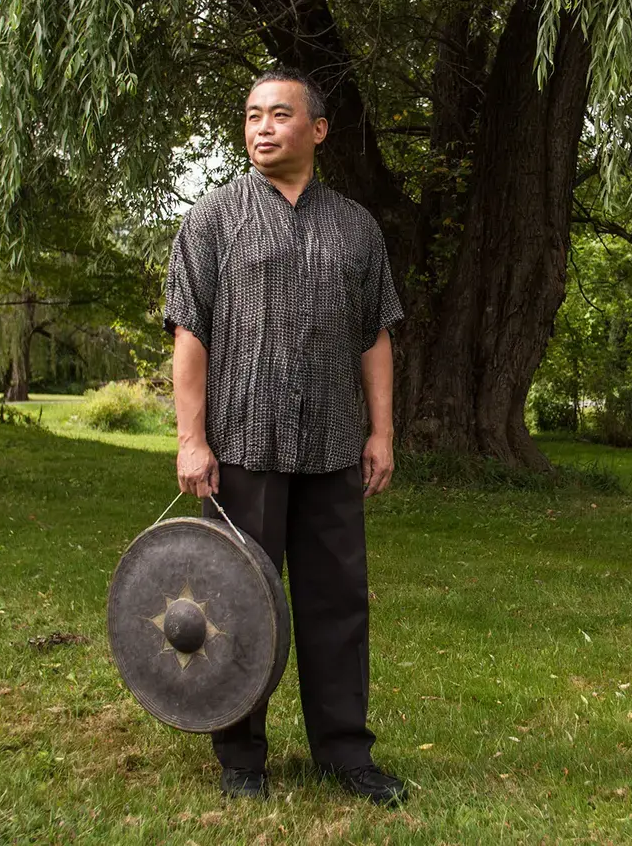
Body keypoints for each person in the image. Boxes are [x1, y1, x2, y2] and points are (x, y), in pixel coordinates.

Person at [162, 66, 407, 805]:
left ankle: (345, 752)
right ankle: (241, 758)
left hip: (333, 446)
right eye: (251, 116)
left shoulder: (356, 228)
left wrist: (382, 432)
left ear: (318, 129)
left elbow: (375, 336)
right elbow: (189, 333)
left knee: (338, 604)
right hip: (242, 450)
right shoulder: (214, 218)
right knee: (237, 607)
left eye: (278, 115)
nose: (262, 128)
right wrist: (191, 439)